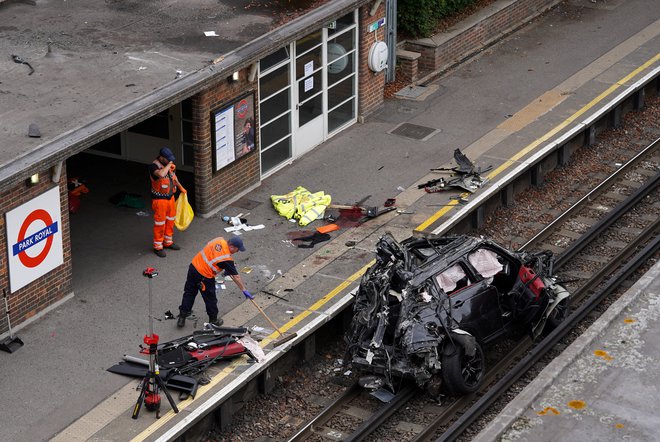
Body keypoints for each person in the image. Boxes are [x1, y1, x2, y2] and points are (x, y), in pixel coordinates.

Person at [177, 236, 253, 327]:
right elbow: (236, 276)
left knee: (189, 292)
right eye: (237, 250)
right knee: (210, 299)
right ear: (232, 246)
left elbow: (212, 254)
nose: (237, 252)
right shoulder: (226, 259)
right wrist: (244, 290)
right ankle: (213, 320)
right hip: (204, 277)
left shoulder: (219, 240)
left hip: (194, 267)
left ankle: (182, 317)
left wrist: (220, 267)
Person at [149, 147, 186, 258]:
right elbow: (160, 175)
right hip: (159, 200)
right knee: (160, 224)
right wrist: (169, 165)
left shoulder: (168, 165)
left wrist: (181, 188)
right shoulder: (153, 167)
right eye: (168, 159)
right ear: (161, 157)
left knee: (170, 221)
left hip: (170, 198)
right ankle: (158, 247)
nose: (170, 161)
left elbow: (173, 178)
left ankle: (168, 242)